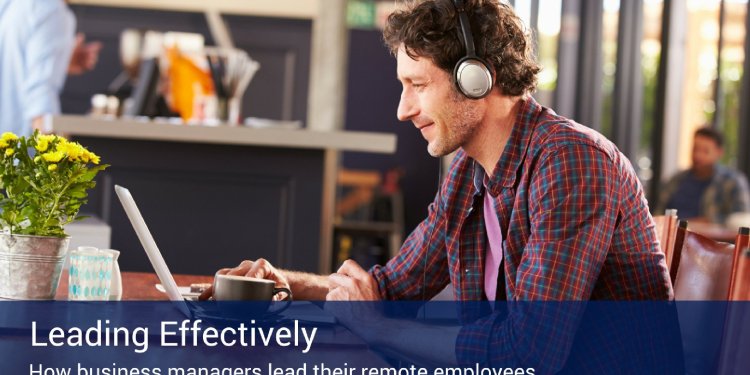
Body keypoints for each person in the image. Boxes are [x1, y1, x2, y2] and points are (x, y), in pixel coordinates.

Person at [200, 0, 674, 370]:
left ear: (476, 79)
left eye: (418, 85)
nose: (403, 110)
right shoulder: (470, 174)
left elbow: (530, 355)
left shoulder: (570, 164)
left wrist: (382, 332)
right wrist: (288, 285)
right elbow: (387, 290)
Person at [0, 0, 101, 136]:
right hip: (17, 150)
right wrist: (57, 152)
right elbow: (41, 102)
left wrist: (60, 62)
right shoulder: (52, 11)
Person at [657, 127, 750, 224]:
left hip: (707, 238)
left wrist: (709, 222)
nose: (698, 155)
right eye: (695, 149)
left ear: (719, 152)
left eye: (705, 151)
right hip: (671, 235)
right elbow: (658, 214)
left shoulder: (732, 182)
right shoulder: (676, 179)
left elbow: (741, 221)